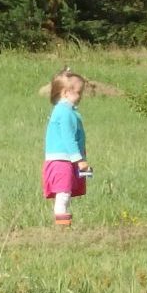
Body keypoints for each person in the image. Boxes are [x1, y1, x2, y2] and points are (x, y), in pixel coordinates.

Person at [42, 68, 91, 228]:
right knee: (63, 194)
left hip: (64, 160)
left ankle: (63, 224)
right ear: (65, 92)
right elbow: (68, 138)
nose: (80, 97)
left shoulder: (67, 111)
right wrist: (79, 160)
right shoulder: (64, 112)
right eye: (78, 93)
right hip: (61, 160)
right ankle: (62, 227)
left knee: (65, 193)